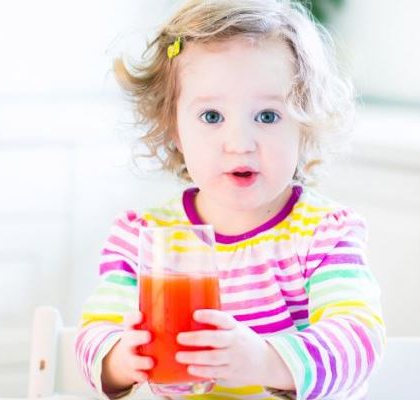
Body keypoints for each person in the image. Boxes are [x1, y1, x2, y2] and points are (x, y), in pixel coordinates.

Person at [75, 1, 384, 399]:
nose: (239, 144)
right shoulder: (143, 237)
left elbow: (359, 339)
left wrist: (265, 361)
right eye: (211, 117)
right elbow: (92, 337)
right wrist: (119, 359)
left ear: (305, 125)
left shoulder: (325, 234)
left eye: (268, 116)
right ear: (173, 128)